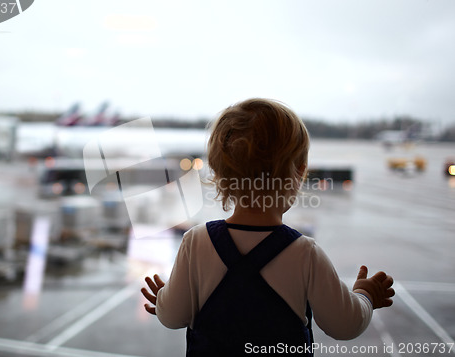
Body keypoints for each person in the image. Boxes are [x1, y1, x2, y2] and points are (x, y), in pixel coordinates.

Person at [141, 98, 395, 356]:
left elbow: (172, 317)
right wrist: (365, 296)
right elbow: (344, 325)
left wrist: (164, 298)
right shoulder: (305, 254)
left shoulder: (196, 242)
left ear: (218, 174)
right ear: (299, 174)